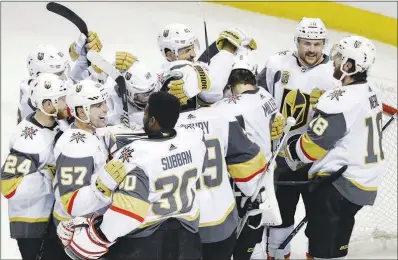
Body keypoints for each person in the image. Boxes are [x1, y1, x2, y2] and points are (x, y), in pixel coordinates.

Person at [57, 92, 207, 260]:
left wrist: (99, 233)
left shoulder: (133, 156)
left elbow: (129, 214)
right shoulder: (194, 140)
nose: (142, 116)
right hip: (188, 238)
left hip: (146, 243)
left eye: (146, 113)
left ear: (152, 121)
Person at [283, 35, 384, 259]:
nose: (334, 61)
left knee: (323, 251)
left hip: (338, 184)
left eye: (339, 58)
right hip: (364, 181)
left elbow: (311, 149)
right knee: (335, 247)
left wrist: (289, 147)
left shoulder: (339, 99)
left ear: (349, 66)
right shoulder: (373, 91)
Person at [160, 71, 268, 260]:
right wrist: (252, 193)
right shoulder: (221, 117)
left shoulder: (156, 127)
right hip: (219, 223)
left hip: (174, 226)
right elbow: (249, 170)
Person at [256, 17, 337, 259]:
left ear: (324, 44)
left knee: (321, 221)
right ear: (296, 42)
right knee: (279, 219)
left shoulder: (335, 74)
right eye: (306, 43)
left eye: (317, 44)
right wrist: (268, 122)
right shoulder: (275, 64)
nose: (311, 49)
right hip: (280, 158)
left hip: (318, 161)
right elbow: (257, 100)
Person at [214, 50, 282, 260]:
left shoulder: (225, 108)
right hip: (266, 175)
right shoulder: (265, 95)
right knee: (255, 239)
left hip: (241, 183)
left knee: (237, 244)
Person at [1, 73, 69, 260]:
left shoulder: (56, 125)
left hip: (48, 220)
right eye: (61, 99)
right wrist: (50, 175)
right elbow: (9, 186)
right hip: (31, 224)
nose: (66, 102)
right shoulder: (27, 139)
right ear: (48, 105)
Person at [52, 79, 117, 231]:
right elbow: (71, 203)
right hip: (76, 229)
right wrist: (107, 185)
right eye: (98, 105)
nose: (106, 109)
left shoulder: (96, 131)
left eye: (104, 102)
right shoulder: (75, 147)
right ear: (81, 111)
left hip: (92, 221)